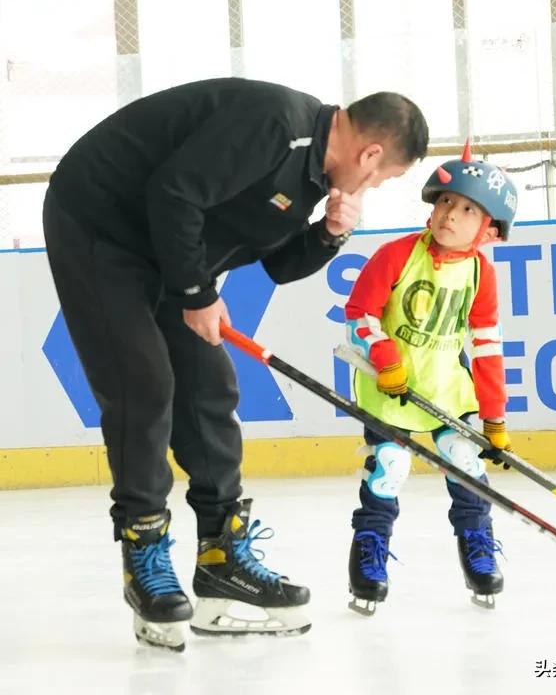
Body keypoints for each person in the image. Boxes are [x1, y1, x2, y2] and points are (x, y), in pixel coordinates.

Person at [42, 78, 428, 650]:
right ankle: (145, 554)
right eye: (384, 177)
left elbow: (273, 264)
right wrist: (197, 294)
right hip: (101, 223)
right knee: (143, 385)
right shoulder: (274, 126)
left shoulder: (312, 178)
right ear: (370, 154)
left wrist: (329, 233)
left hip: (167, 247)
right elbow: (174, 193)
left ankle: (222, 560)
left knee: (209, 389)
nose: (374, 186)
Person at [343, 142, 517, 615]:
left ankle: (478, 549)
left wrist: (494, 419)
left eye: (466, 209)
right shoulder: (396, 255)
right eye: (444, 201)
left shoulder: (481, 272)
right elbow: (359, 315)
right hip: (390, 392)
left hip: (445, 391)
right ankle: (370, 554)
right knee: (390, 469)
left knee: (465, 462)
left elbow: (486, 348)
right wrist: (383, 356)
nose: (449, 215)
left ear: (489, 230)